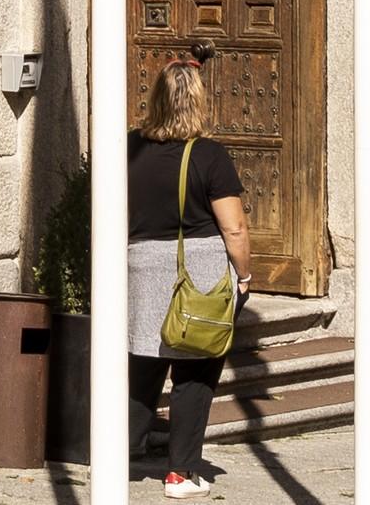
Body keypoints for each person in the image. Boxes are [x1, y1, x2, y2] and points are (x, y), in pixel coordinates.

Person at [127, 57, 249, 499]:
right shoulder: (210, 156)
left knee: (141, 364)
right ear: (199, 100)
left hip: (140, 266)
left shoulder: (129, 148)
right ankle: (180, 473)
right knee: (195, 371)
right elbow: (233, 227)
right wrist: (244, 275)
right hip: (195, 272)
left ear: (156, 98)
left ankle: (121, 450)